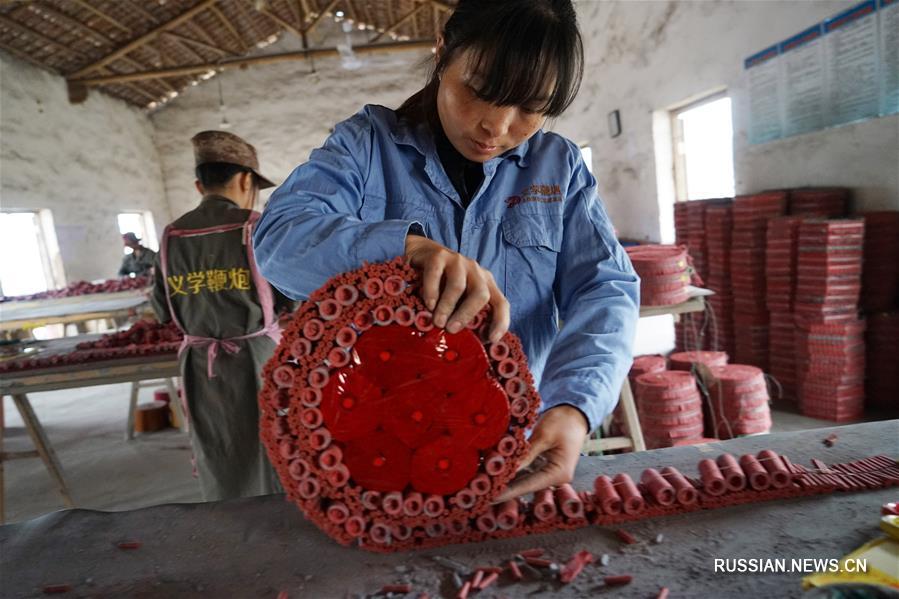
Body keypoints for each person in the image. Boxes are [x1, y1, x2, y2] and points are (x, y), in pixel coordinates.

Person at [252, 0, 640, 502]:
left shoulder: (558, 167)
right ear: (442, 53)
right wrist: (403, 249)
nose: (496, 127)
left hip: (515, 450)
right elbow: (280, 240)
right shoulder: (368, 146)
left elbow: (605, 288)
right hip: (378, 461)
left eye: (530, 107)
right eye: (479, 91)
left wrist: (575, 406)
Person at [151, 130, 293, 501]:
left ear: (200, 185)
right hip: (258, 361)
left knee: (219, 452)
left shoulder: (170, 236)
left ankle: (227, 534)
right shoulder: (257, 226)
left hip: (200, 369)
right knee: (273, 451)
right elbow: (291, 298)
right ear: (246, 180)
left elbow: (161, 309)